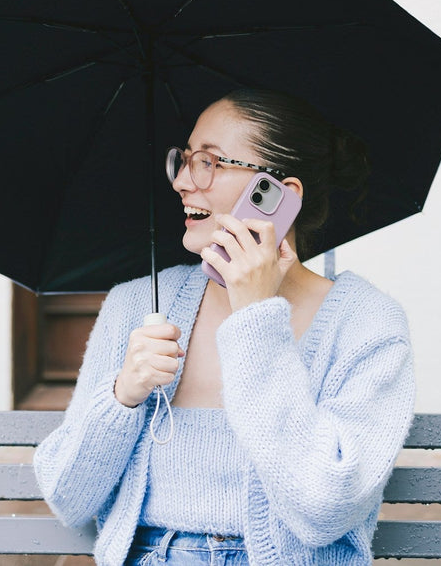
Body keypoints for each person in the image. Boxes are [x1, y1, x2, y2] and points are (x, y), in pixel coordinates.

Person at [33, 88, 415, 566]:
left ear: (279, 193)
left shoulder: (367, 323)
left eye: (209, 162)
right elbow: (67, 499)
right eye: (184, 160)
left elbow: (324, 508)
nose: (182, 182)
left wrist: (256, 319)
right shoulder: (137, 306)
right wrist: (122, 396)